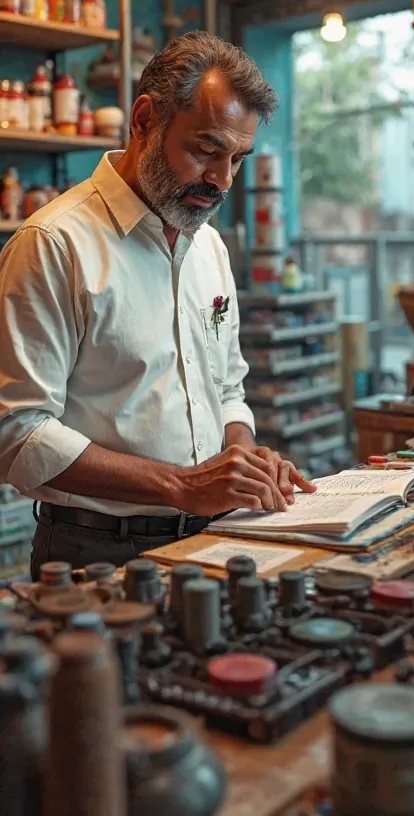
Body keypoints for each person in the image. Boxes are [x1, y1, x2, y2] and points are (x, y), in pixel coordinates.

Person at [0, 31, 316, 578]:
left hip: (214, 535)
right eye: (205, 150)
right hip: (94, 552)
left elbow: (227, 389)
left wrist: (241, 458)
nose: (221, 181)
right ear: (145, 120)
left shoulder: (209, 246)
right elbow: (17, 434)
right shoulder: (53, 244)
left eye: (237, 159)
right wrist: (180, 485)